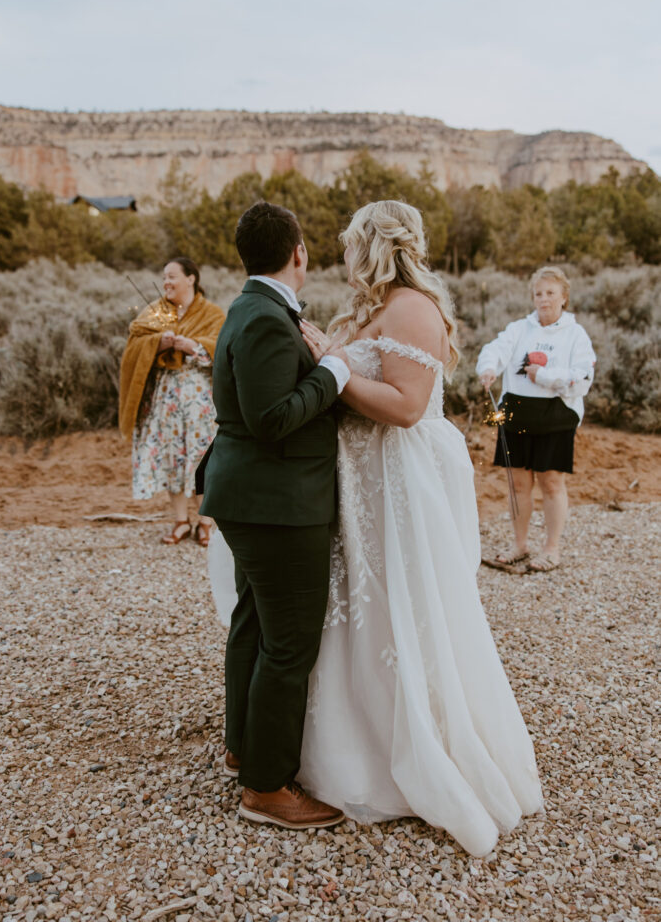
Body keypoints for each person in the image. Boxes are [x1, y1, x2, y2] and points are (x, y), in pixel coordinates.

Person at [209, 200, 544, 855]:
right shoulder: (360, 309)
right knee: (330, 623)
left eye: (349, 242)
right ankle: (301, 749)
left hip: (397, 486)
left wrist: (334, 374)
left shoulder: (412, 307)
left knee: (394, 616)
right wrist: (332, 364)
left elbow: (407, 405)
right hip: (353, 488)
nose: (338, 253)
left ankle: (404, 749)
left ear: (375, 244)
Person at [199, 201, 350, 830]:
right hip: (277, 504)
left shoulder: (252, 308)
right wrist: (335, 372)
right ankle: (266, 787)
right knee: (288, 644)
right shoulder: (263, 317)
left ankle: (244, 748)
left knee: (254, 623)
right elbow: (269, 419)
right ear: (300, 253)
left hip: (256, 497)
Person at [476, 265, 596, 572]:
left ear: (564, 297)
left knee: (551, 483)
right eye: (538, 293)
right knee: (517, 484)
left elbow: (582, 377)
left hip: (556, 415)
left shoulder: (576, 335)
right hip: (516, 413)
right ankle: (520, 545)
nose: (544, 299)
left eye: (550, 293)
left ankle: (551, 549)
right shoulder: (519, 329)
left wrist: (543, 376)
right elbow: (496, 348)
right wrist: (488, 367)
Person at [119, 257, 225, 546]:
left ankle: (206, 522)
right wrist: (159, 342)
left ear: (191, 278)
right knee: (172, 455)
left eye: (172, 276)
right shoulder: (154, 312)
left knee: (203, 456)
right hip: (165, 399)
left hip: (200, 400)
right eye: (164, 277)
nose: (166, 282)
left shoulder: (213, 313)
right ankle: (180, 521)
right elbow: (135, 344)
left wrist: (193, 346)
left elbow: (224, 349)